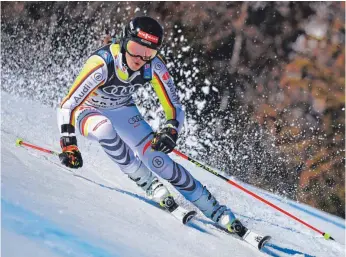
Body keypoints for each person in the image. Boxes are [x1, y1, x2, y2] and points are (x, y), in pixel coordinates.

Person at [57, 16, 245, 235]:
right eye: (135, 48)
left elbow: (173, 105)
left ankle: (215, 210)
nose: (140, 58)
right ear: (124, 42)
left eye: (149, 53)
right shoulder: (102, 64)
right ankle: (147, 183)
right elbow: (68, 104)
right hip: (87, 111)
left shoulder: (154, 66)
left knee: (158, 159)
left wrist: (171, 129)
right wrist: (68, 143)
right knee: (104, 128)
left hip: (122, 109)